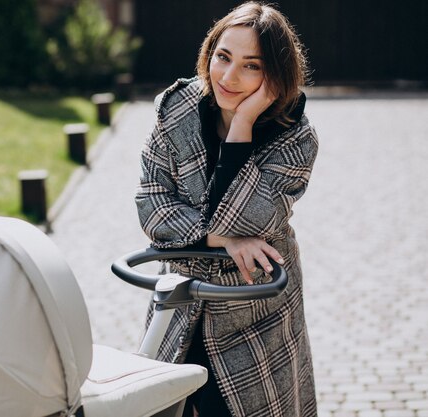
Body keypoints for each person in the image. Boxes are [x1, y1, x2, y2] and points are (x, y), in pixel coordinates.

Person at [135, 2, 318, 416]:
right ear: (209, 52)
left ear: (275, 73)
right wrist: (216, 239)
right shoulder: (176, 108)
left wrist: (242, 125)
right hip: (179, 308)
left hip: (257, 314)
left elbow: (244, 219)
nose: (229, 77)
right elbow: (151, 205)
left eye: (251, 66)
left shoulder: (296, 138)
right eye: (223, 57)